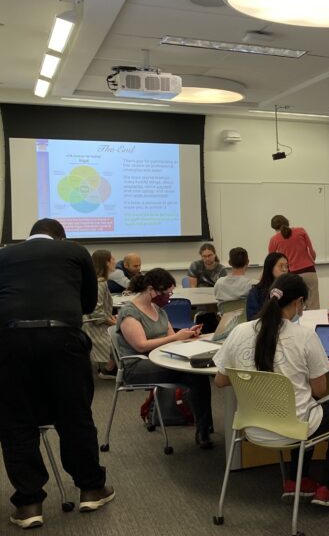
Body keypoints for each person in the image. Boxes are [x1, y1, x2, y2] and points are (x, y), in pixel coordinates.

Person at [0, 218, 114, 528]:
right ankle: (91, 488)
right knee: (74, 416)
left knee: (15, 422)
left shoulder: (3, 255)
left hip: (10, 342)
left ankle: (28, 504)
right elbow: (88, 303)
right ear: (60, 237)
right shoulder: (75, 252)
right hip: (63, 340)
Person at [214, 274, 329, 507]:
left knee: (302, 407)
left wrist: (252, 376)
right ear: (298, 302)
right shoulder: (304, 336)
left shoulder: (240, 332)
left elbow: (221, 381)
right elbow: (320, 390)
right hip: (293, 428)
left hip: (252, 427)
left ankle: (297, 480)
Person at [115, 269, 214, 449]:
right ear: (151, 290)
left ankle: (204, 427)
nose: (168, 297)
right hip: (136, 366)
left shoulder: (158, 310)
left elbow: (170, 338)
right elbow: (141, 346)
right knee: (194, 374)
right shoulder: (129, 313)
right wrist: (176, 337)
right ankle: (203, 426)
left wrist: (188, 335)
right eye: (167, 293)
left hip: (161, 360)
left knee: (197, 374)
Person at [269, 215, 320, 310]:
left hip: (291, 275)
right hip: (309, 271)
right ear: (287, 222)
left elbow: (271, 260)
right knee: (314, 305)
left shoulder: (274, 239)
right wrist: (312, 259)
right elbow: (312, 252)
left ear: (274, 228)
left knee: (295, 306)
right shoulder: (301, 231)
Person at [83, 249, 118, 379]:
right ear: (106, 262)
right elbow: (96, 312)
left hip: (96, 322)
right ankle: (109, 369)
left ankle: (110, 367)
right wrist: (112, 322)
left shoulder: (99, 281)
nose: (115, 261)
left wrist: (111, 317)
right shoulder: (99, 283)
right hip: (93, 326)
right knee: (123, 333)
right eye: (112, 258)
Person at [247, 252, 289, 320]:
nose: (285, 270)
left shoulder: (290, 288)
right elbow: (252, 319)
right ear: (270, 267)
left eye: (286, 266)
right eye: (281, 266)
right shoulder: (256, 292)